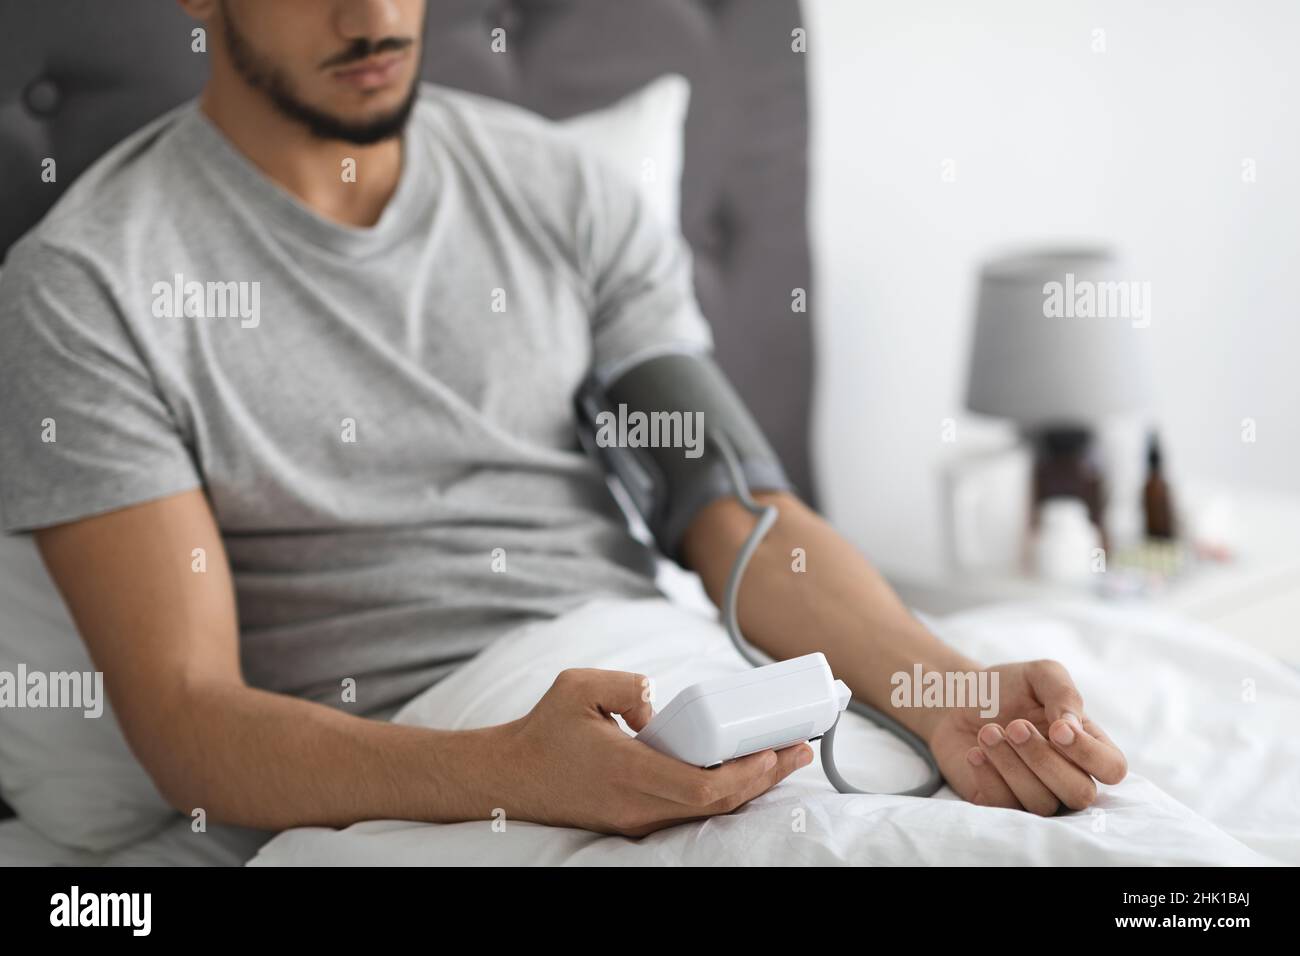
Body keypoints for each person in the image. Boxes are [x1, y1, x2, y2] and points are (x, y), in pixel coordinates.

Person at [0, 0, 1125, 840]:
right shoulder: (88, 285)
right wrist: (507, 769)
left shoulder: (558, 187)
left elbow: (734, 511)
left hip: (663, 677)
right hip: (418, 753)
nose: (374, 16)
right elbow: (187, 720)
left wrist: (946, 689)